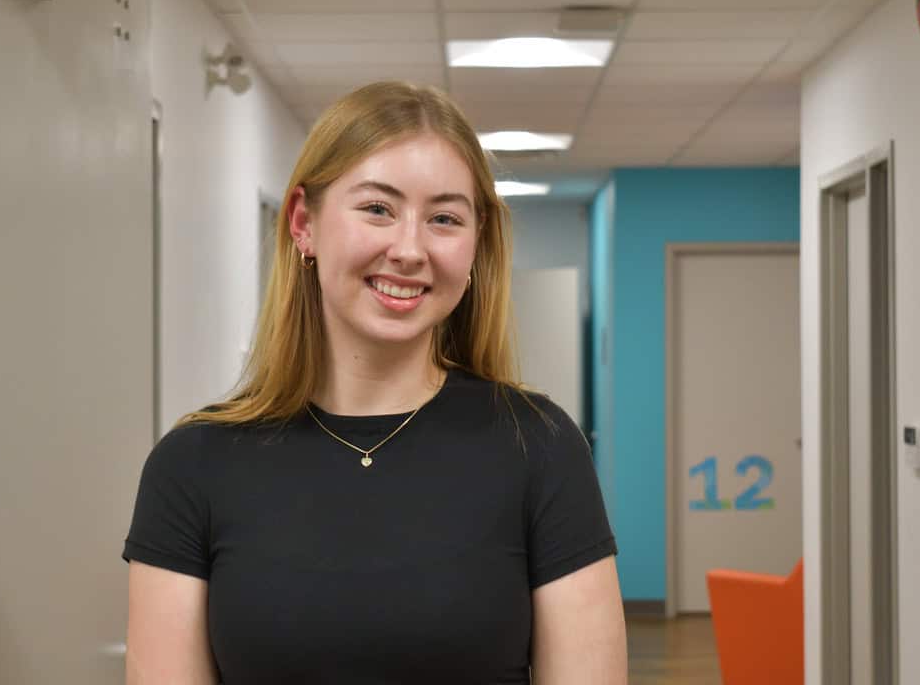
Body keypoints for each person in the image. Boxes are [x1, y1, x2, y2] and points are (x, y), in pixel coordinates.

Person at [122, 80, 628, 684]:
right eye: (378, 208)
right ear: (304, 223)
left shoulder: (539, 445)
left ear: (474, 246)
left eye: (444, 218)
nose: (410, 249)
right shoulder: (193, 465)